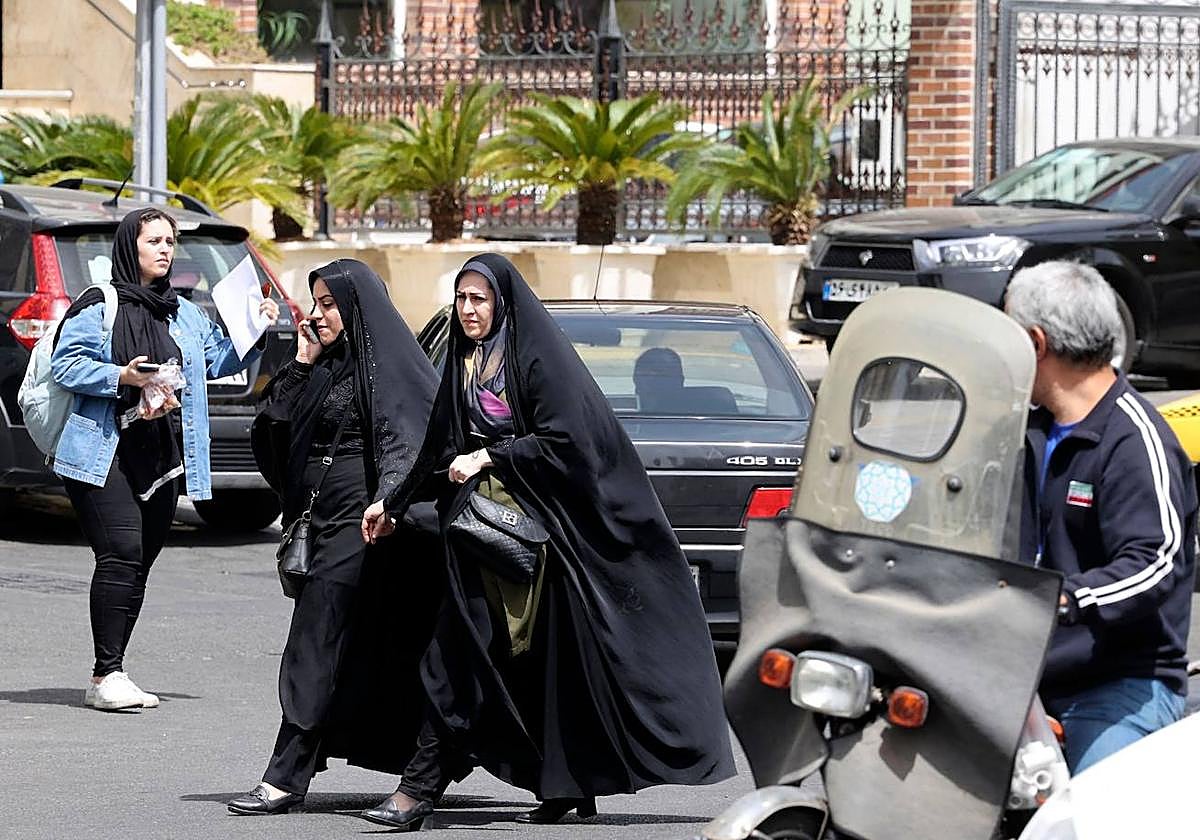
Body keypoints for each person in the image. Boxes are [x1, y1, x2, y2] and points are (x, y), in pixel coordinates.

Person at [361, 253, 734, 828]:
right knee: (472, 654)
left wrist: (492, 454)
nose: (468, 311)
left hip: (540, 540)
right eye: (461, 299)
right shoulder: (465, 360)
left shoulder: (533, 360)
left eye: (478, 300)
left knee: (473, 658)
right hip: (477, 536)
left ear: (503, 303)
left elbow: (568, 441)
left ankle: (419, 790)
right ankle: (563, 788)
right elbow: (438, 443)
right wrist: (394, 502)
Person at [229, 259, 448, 816]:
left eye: (330, 304)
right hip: (321, 521)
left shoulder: (391, 369)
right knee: (337, 645)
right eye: (315, 303)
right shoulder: (323, 366)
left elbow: (413, 443)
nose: (319, 315)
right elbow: (273, 429)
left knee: (314, 640)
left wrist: (391, 498)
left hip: (366, 525)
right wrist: (301, 362)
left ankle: (284, 775)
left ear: (356, 307)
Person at [51, 207, 278, 712]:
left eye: (170, 242)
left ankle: (113, 669)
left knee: (139, 565)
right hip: (102, 449)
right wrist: (123, 377)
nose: (164, 250)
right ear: (131, 246)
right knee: (120, 554)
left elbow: (218, 361)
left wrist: (253, 329)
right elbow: (67, 364)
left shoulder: (183, 312)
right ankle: (105, 673)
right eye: (153, 240)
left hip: (163, 455)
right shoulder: (100, 304)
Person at [1006, 260, 1197, 774]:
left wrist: (1067, 598)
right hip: (1013, 668)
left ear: (1036, 342)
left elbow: (1158, 560)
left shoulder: (1135, 438)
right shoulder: (1024, 427)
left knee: (1089, 820)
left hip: (1118, 684)